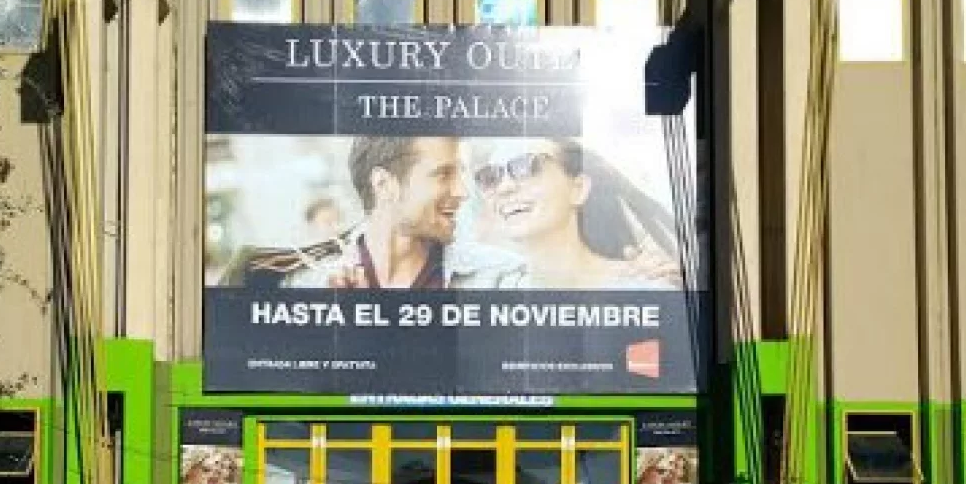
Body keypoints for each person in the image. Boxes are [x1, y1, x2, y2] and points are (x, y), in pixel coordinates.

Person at [242, 136, 523, 289]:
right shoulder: (302, 286)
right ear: (384, 185)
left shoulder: (502, 278)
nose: (462, 191)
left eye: (461, 173)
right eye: (443, 174)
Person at [469, 137, 682, 290]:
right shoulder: (489, 292)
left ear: (578, 189)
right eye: (490, 176)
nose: (504, 187)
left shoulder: (642, 289)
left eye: (526, 166)